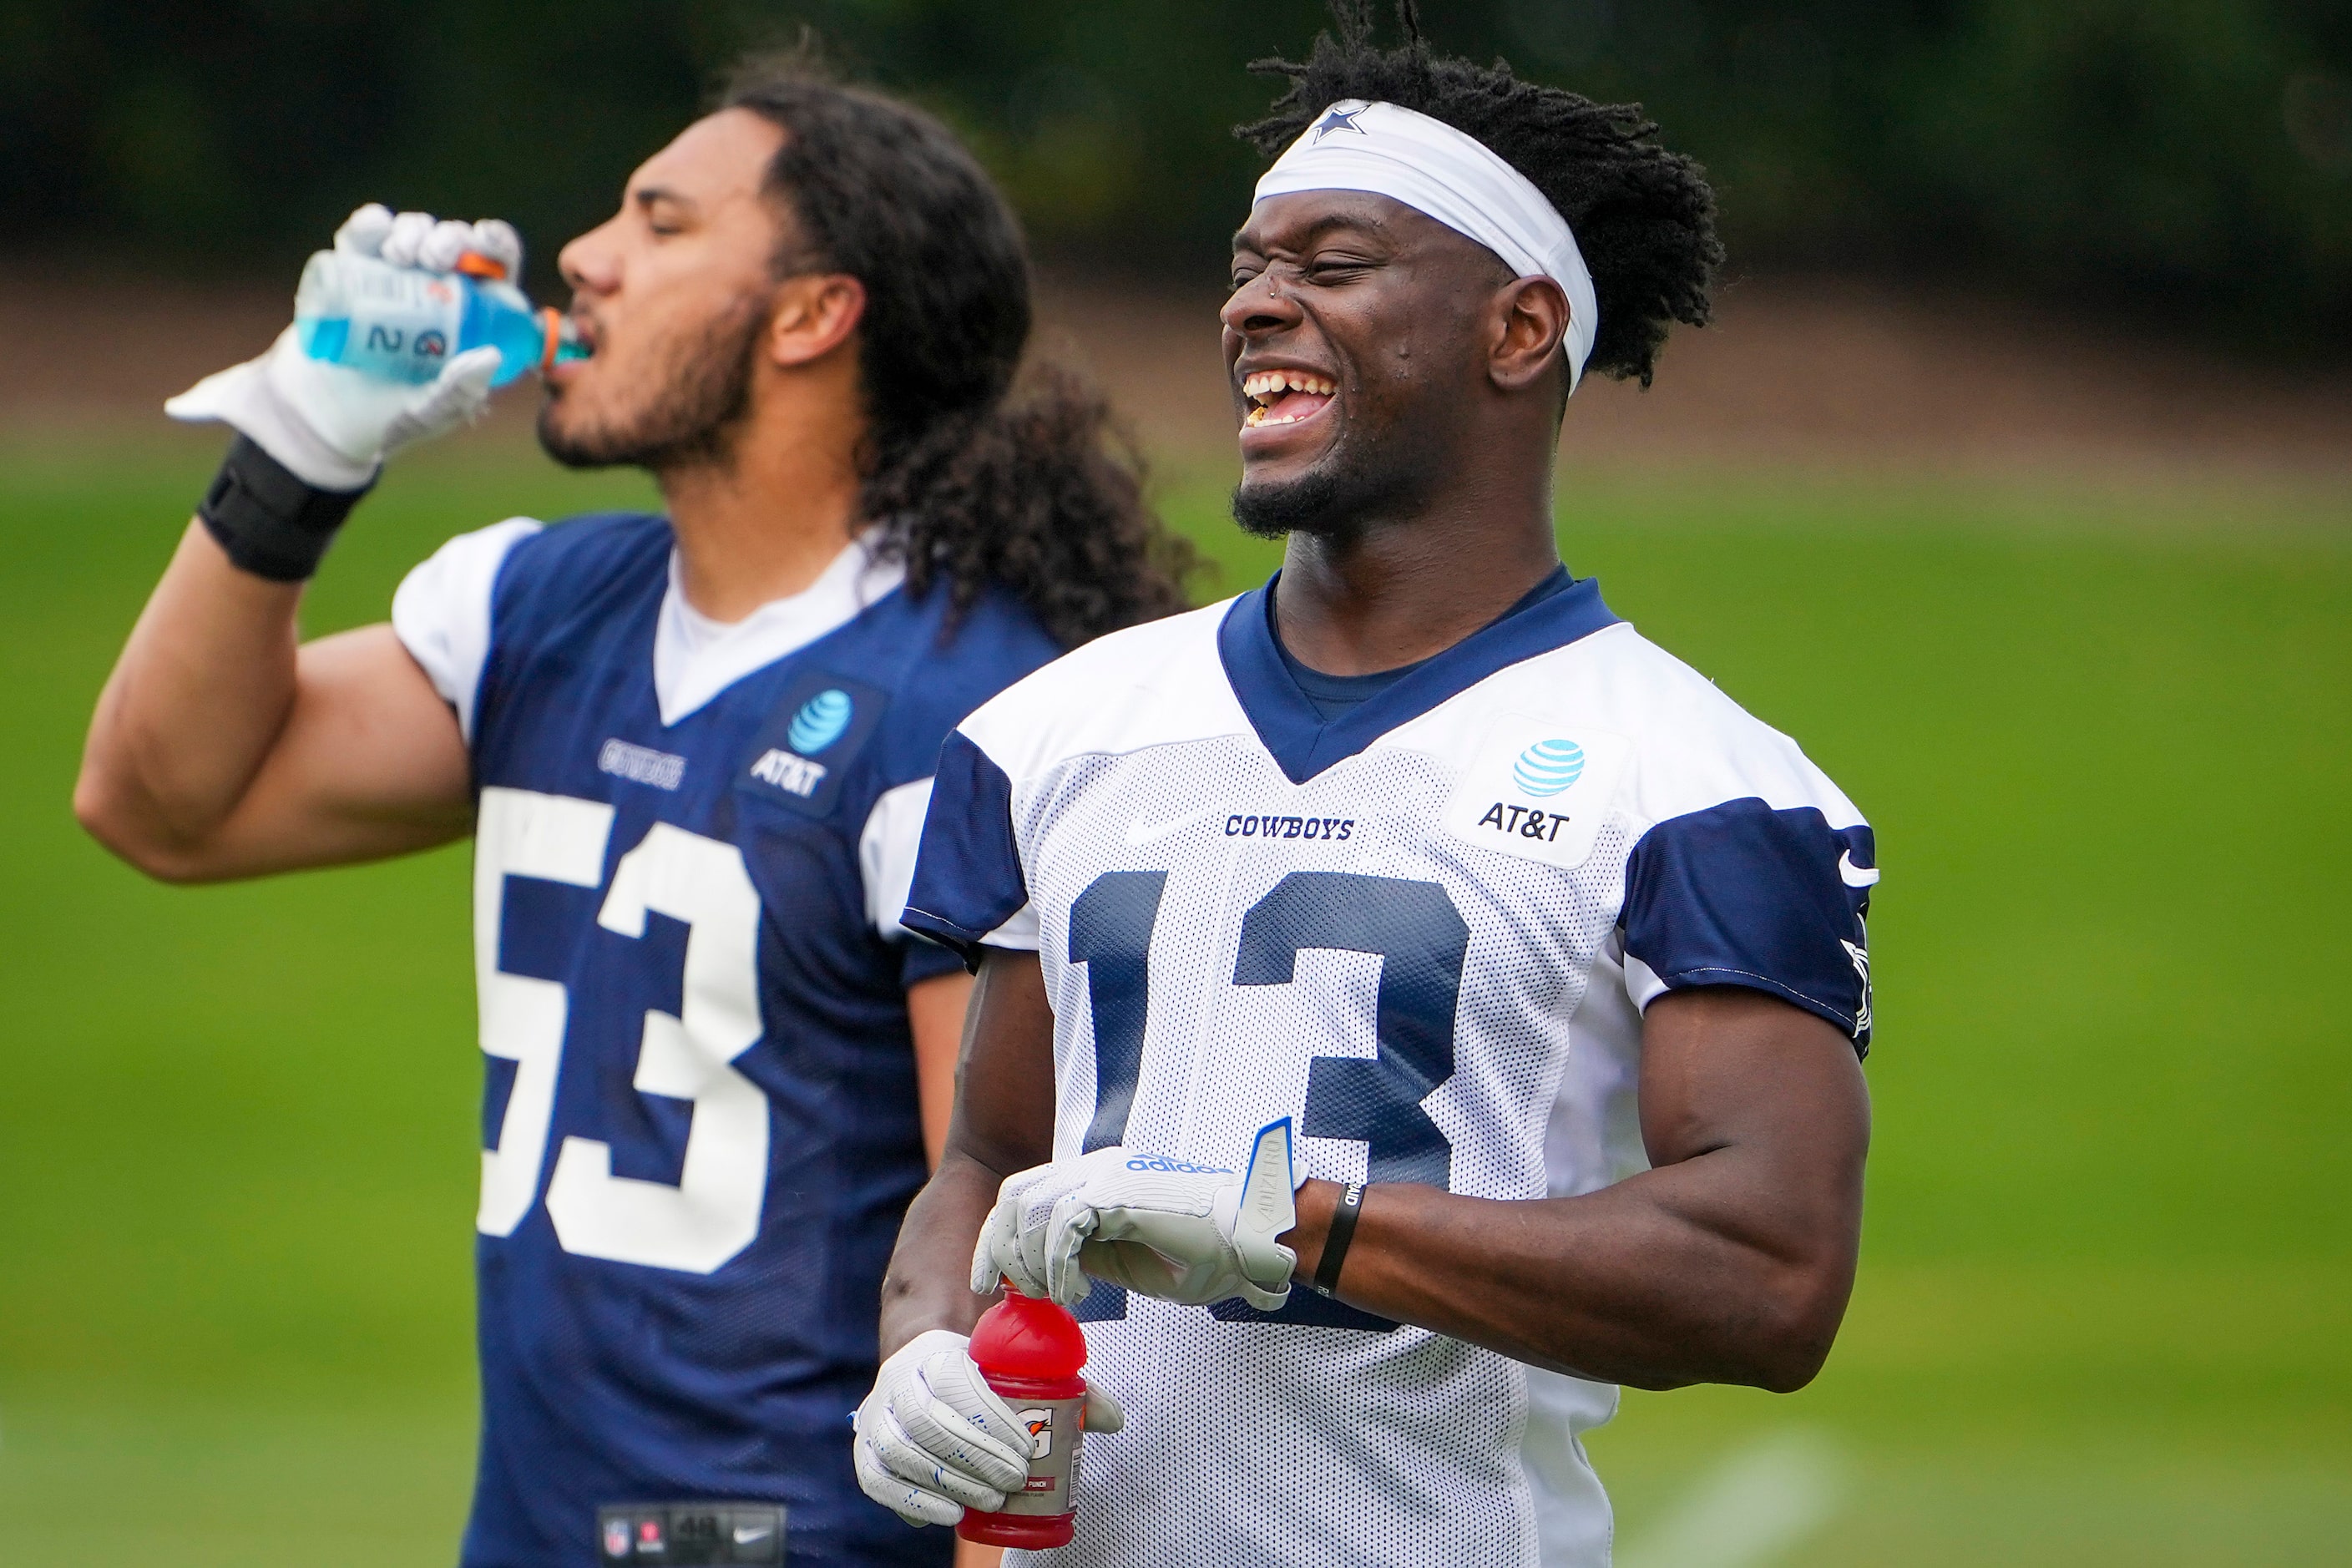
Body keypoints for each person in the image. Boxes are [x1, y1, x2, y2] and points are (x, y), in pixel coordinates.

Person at [73, 49, 1190, 1568]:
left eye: (661, 224)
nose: (585, 257)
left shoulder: (958, 713)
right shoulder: (542, 604)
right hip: (533, 1528)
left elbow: (1004, 1250)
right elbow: (161, 801)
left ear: (812, 313)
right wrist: (298, 448)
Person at [849, 4, 1874, 1564]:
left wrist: (1292, 1222)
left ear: (1517, 330)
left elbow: (1770, 1271)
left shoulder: (1695, 783)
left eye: (1329, 266)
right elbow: (987, 1161)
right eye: (1249, 268)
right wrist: (923, 1342)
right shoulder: (1055, 731)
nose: (1255, 306)